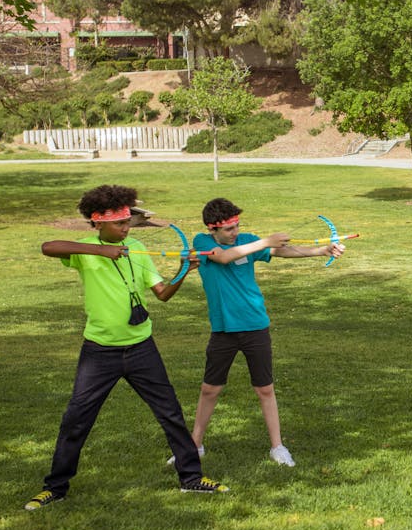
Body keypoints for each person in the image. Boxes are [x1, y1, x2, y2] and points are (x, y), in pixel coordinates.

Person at [25, 185, 228, 511]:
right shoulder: (84, 249)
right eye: (119, 224)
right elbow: (48, 247)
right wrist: (99, 252)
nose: (126, 228)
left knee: (171, 413)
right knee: (76, 419)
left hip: (141, 348)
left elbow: (161, 293)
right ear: (98, 223)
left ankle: (191, 478)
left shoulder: (136, 247)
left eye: (127, 222)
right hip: (99, 351)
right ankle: (56, 487)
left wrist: (184, 271)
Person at [170, 198, 344, 468]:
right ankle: (195, 445)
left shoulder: (248, 240)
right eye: (229, 230)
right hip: (224, 330)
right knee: (209, 389)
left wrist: (321, 251)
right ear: (212, 229)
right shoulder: (204, 243)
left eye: (237, 226)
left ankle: (277, 446)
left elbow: (282, 252)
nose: (235, 233)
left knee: (265, 388)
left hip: (255, 326)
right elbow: (225, 258)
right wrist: (265, 241)